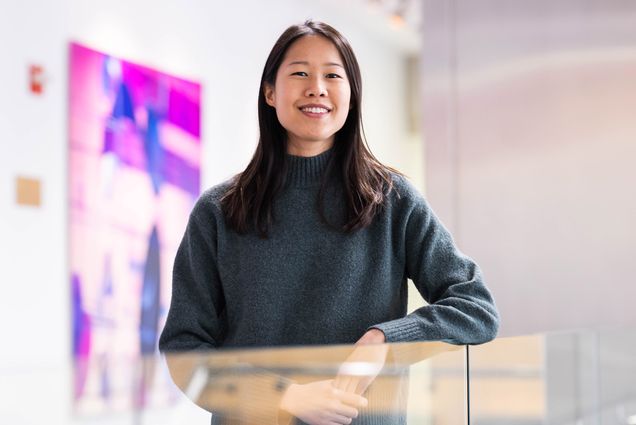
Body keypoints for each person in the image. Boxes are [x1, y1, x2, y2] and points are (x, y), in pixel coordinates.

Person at [159, 20, 499, 425]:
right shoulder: (219, 210)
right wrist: (285, 398)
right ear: (270, 92)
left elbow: (476, 308)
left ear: (351, 96)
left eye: (333, 76)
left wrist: (384, 341)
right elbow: (184, 350)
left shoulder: (392, 200)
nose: (316, 87)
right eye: (300, 72)